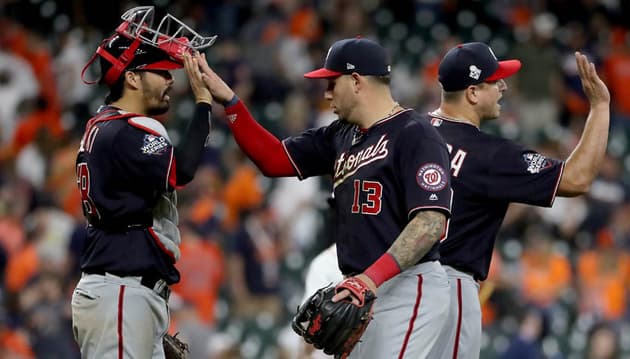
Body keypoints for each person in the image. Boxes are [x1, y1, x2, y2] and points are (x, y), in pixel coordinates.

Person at [198, 37, 453, 358]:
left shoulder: (415, 132)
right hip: (364, 291)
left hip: (408, 286)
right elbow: (274, 159)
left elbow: (431, 223)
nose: (326, 93)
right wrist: (231, 103)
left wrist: (368, 281)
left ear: (357, 81)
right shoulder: (341, 134)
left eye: (332, 83)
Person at [427, 42, 610, 359]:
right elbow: (577, 178)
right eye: (494, 81)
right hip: (449, 286)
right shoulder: (491, 154)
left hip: (396, 282)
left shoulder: (405, 132)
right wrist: (600, 107)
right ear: (472, 93)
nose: (503, 86)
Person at [70, 6, 217, 358]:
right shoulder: (130, 128)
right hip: (121, 292)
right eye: (160, 72)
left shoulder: (104, 125)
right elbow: (182, 170)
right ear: (132, 78)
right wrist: (203, 102)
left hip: (122, 292)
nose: (171, 79)